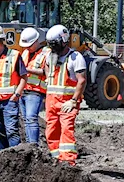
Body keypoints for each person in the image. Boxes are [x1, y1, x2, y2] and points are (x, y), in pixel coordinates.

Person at [43, 25, 87, 165]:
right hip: (51, 102)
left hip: (67, 102)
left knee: (66, 132)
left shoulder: (75, 58)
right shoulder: (49, 57)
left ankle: (68, 162)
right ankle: (56, 159)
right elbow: (47, 74)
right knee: (51, 132)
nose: (53, 48)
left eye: (54, 44)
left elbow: (82, 81)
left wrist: (74, 101)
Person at [18, 27, 48, 146]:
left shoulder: (46, 53)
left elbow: (46, 72)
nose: (27, 48)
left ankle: (33, 145)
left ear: (36, 41)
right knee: (26, 120)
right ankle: (29, 145)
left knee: (31, 118)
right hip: (24, 89)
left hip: (35, 91)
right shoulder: (25, 52)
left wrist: (27, 70)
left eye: (29, 45)